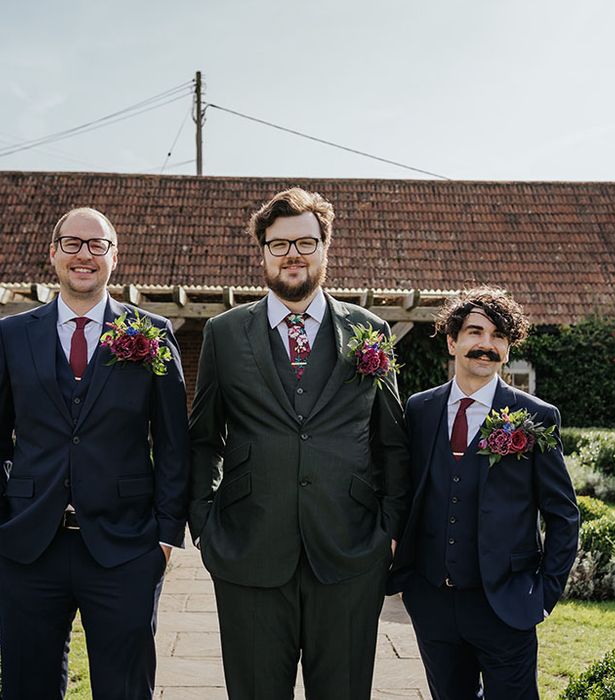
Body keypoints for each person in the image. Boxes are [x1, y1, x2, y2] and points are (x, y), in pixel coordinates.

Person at [188, 187, 410, 699]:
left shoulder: (370, 331)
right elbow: (202, 438)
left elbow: (392, 441)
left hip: (351, 552)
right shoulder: (224, 333)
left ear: (325, 248)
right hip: (249, 550)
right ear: (262, 252)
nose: (293, 254)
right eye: (279, 243)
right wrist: (204, 524)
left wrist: (390, 528)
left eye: (306, 242)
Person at [0, 207, 189, 699]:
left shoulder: (151, 332)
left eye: (97, 245)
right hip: (28, 547)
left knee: (126, 688)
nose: (84, 255)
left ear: (114, 257)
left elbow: (173, 442)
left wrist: (166, 536)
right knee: (26, 684)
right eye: (72, 244)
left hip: (126, 547)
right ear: (54, 254)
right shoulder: (12, 335)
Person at [388, 287, 579, 700]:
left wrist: (544, 595)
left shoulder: (535, 417)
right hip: (432, 603)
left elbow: (564, 515)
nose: (486, 345)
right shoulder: (419, 409)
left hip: (507, 605)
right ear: (453, 340)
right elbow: (404, 492)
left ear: (508, 350)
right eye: (475, 332)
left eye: (498, 336)